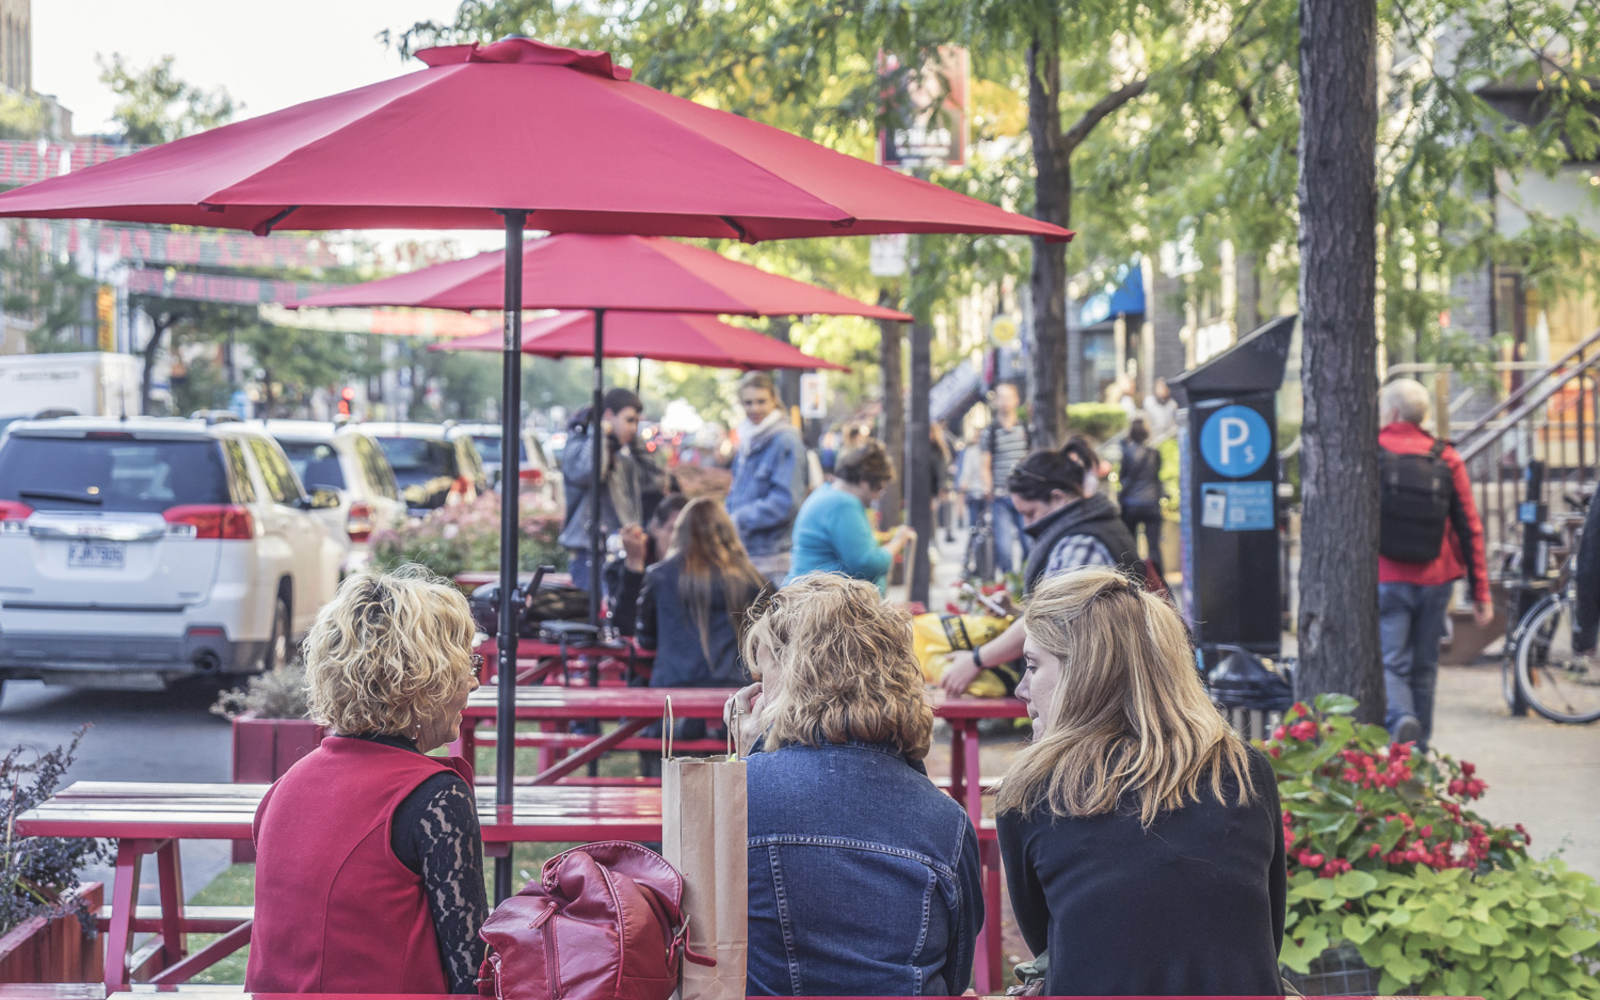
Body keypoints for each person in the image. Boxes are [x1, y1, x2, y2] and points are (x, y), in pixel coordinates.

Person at [996, 568, 1285, 997]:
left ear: (1083, 674)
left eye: (1033, 667)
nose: (1022, 689)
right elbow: (1264, 938)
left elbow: (1050, 945)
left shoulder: (1034, 792)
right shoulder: (1245, 771)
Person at [727, 574, 983, 996]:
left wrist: (745, 758)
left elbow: (695, 942)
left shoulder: (740, 794)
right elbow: (955, 977)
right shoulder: (947, 821)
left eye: (765, 671)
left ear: (793, 677)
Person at [246, 567, 486, 995]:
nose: (474, 681)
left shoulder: (287, 785)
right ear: (424, 679)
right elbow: (472, 975)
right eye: (466, 663)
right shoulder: (434, 797)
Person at [939, 446, 1140, 696]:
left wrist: (977, 660)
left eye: (1030, 513)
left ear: (1058, 497)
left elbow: (1051, 621)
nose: (1026, 525)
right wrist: (1015, 611)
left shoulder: (1081, 544)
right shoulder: (1082, 528)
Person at [1377, 378, 1491, 747]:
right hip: (1436, 578)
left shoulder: (1373, 453)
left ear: (1392, 412)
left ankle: (1401, 719)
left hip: (1387, 575)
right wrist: (1481, 593)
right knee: (1425, 667)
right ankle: (1420, 748)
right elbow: (1469, 526)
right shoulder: (1446, 457)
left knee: (1392, 662)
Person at [636, 497, 771, 689]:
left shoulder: (659, 576)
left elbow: (646, 640)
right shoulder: (754, 581)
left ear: (680, 533)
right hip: (736, 688)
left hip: (674, 686)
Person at [786, 440, 914, 591]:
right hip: (821, 599)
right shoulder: (843, 504)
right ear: (864, 481)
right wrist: (897, 542)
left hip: (811, 592)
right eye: (879, 488)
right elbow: (867, 564)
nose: (878, 496)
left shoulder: (827, 493)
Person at [559, 386, 644, 595]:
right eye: (629, 420)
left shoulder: (622, 454)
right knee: (594, 619)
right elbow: (591, 471)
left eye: (637, 422)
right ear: (608, 416)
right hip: (588, 555)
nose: (634, 428)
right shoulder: (578, 447)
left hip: (619, 552)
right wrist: (599, 433)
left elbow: (654, 483)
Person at [725, 372, 809, 583]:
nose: (754, 408)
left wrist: (738, 518)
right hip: (748, 552)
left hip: (774, 557)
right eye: (748, 402)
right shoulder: (748, 440)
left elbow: (786, 503)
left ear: (774, 400)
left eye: (761, 401)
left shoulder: (785, 441)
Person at [610, 492, 688, 638]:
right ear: (655, 528)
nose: (680, 539)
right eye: (673, 530)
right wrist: (634, 566)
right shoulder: (620, 568)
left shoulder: (704, 573)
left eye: (687, 531)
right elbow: (624, 628)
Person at [981, 382, 1030, 573]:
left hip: (1025, 495)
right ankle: (1009, 586)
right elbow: (984, 464)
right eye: (1000, 397)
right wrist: (988, 488)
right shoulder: (991, 431)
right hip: (1000, 497)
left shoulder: (1025, 429)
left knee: (1029, 545)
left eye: (1008, 397)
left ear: (1016, 400)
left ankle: (1026, 584)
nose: (1005, 402)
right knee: (1004, 549)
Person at [1118, 417, 1165, 574]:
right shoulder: (1154, 453)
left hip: (1131, 504)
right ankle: (1159, 580)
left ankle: (1134, 577)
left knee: (1130, 546)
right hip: (1151, 503)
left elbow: (1122, 477)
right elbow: (1157, 477)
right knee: (1154, 546)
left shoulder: (1127, 452)